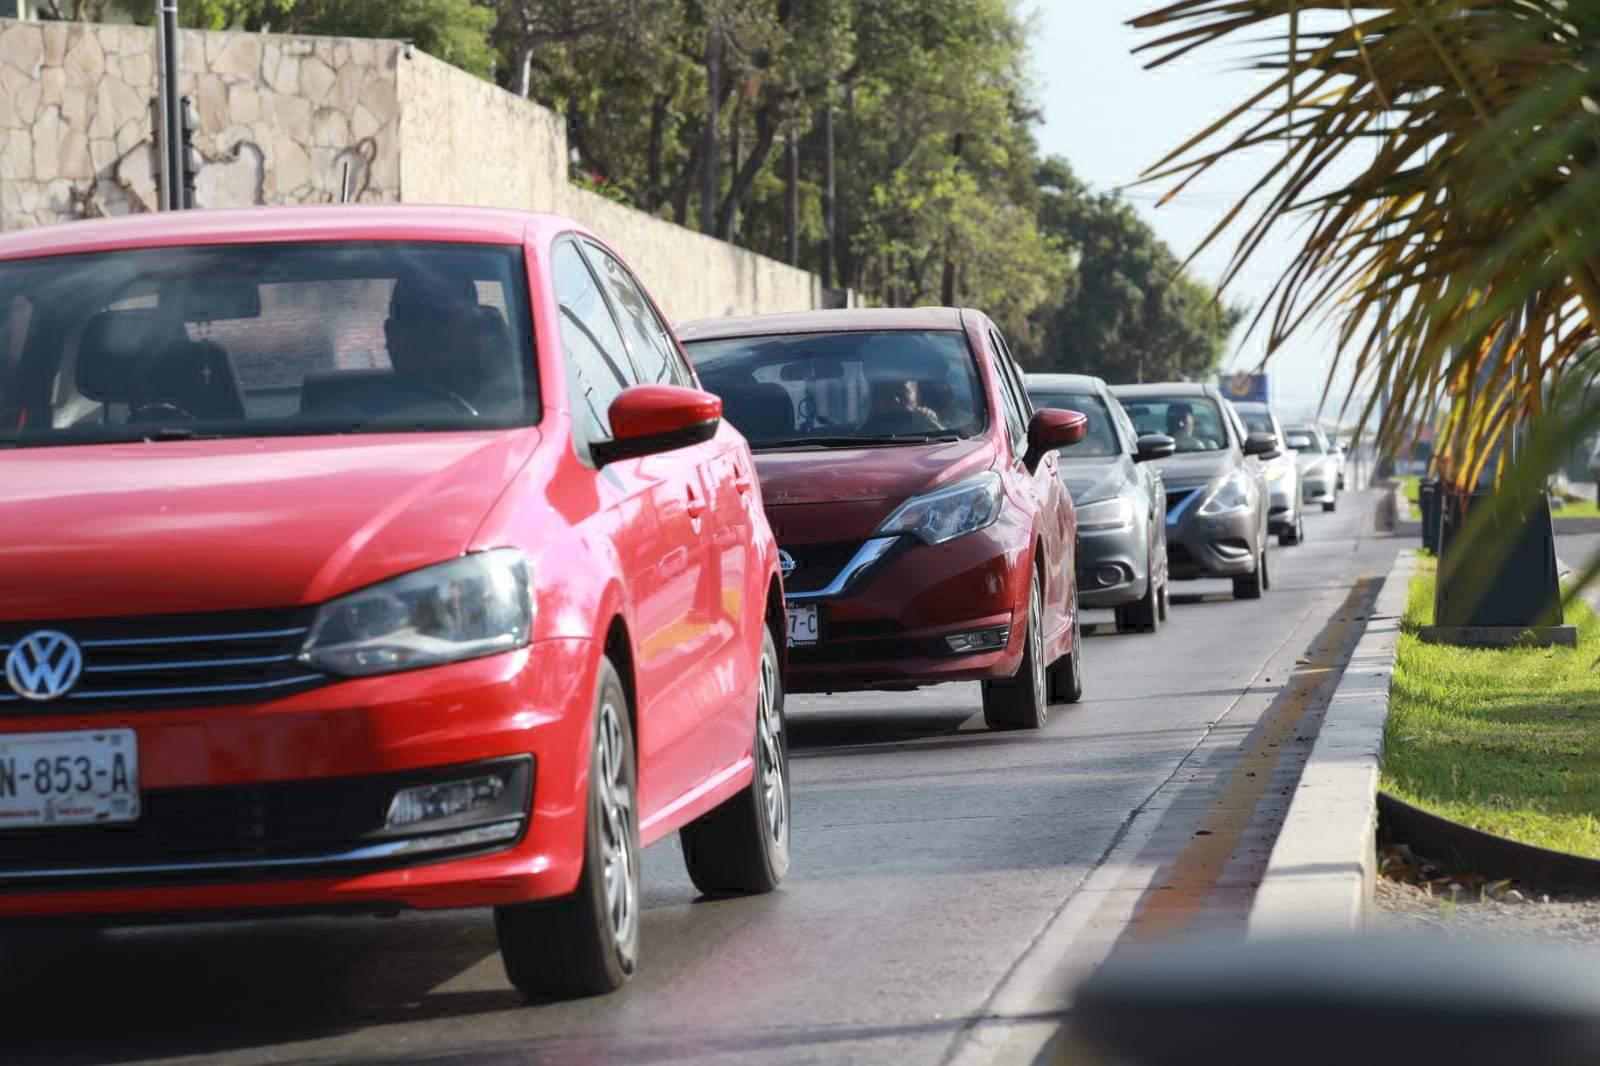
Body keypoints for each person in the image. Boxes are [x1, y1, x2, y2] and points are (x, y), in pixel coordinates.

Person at [861, 377, 942, 435]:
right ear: (875, 402)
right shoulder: (862, 436)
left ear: (918, 398)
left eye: (901, 392)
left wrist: (931, 427)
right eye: (885, 393)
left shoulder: (929, 425)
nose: (895, 400)